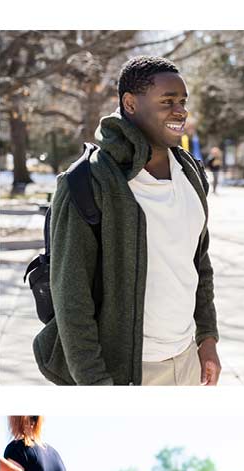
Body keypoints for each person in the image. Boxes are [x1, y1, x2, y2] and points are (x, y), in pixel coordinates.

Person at [40, 57, 219, 386]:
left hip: (189, 360)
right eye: (167, 102)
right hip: (129, 372)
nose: (179, 111)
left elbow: (198, 260)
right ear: (131, 103)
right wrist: (96, 385)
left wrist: (207, 337)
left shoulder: (191, 172)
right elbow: (70, 297)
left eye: (182, 102)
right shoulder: (86, 180)